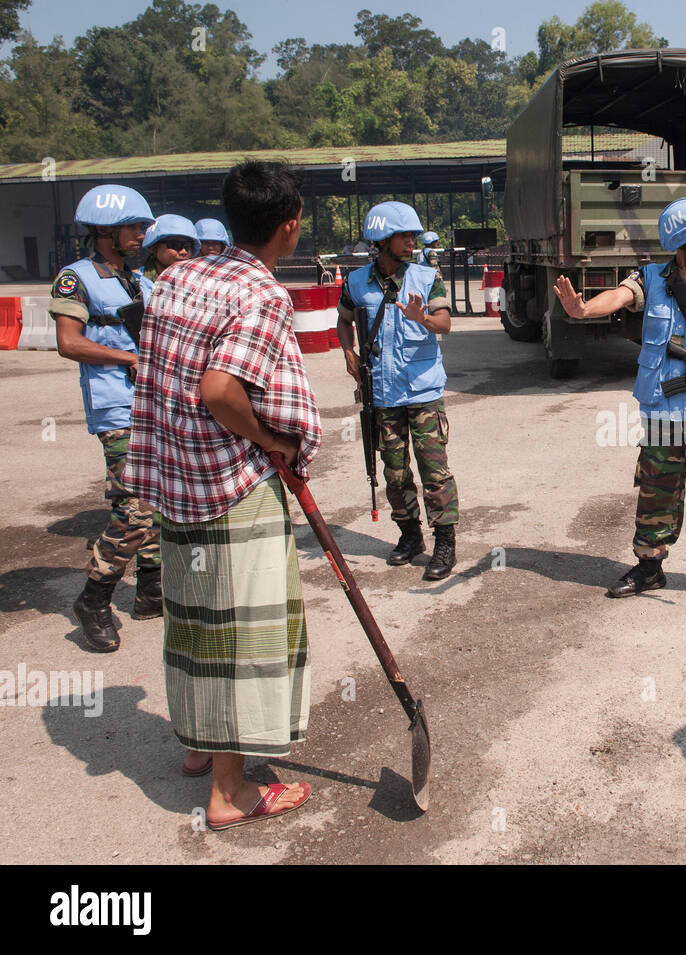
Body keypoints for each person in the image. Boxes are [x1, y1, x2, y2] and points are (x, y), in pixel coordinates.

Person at [124, 161, 322, 829]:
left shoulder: (177, 275)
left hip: (175, 481)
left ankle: (203, 746)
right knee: (245, 633)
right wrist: (273, 436)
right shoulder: (263, 296)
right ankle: (230, 793)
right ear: (289, 226)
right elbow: (218, 391)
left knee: (195, 620)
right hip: (231, 486)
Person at [552, 195, 686, 607]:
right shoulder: (651, 278)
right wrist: (583, 311)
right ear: (681, 240)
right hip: (665, 412)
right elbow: (618, 296)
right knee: (657, 490)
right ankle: (650, 566)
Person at [48, 185, 161, 653]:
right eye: (135, 227)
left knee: (159, 501)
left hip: (153, 405)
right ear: (105, 230)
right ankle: (93, 600)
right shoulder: (76, 278)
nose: (142, 235)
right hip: (116, 407)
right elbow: (69, 342)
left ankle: (151, 593)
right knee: (134, 511)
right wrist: (126, 358)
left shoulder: (142, 281)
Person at [336, 201, 459, 581]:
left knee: (434, 472)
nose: (412, 241)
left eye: (413, 236)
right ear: (382, 240)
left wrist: (421, 318)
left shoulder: (426, 278)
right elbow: (342, 321)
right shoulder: (356, 283)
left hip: (422, 393)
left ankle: (444, 541)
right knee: (394, 473)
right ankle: (409, 536)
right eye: (404, 236)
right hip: (383, 394)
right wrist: (347, 352)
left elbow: (445, 324)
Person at [139, 214, 198, 283]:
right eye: (175, 245)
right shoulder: (136, 283)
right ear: (154, 247)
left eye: (188, 246)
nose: (183, 252)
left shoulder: (200, 283)